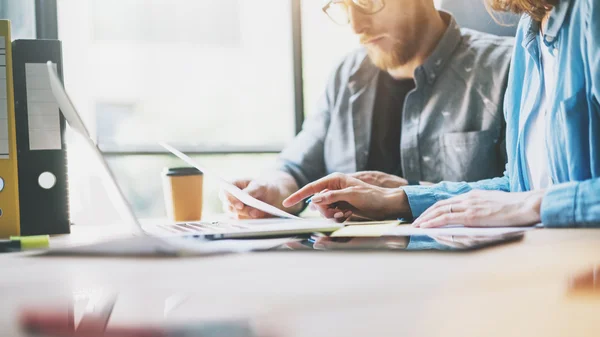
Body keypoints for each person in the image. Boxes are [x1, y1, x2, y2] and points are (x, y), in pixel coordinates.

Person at [283, 0, 600, 228]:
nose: (355, 26)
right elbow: (518, 189)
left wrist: (535, 204)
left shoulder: (588, 13)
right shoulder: (527, 33)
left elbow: (526, 200)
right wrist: (399, 198)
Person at [221, 0, 513, 219]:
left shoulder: (507, 68)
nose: (356, 26)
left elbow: (528, 190)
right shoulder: (346, 75)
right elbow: (298, 166)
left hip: (464, 277)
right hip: (352, 278)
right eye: (343, 5)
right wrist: (271, 190)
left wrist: (410, 195)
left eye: (366, 1)